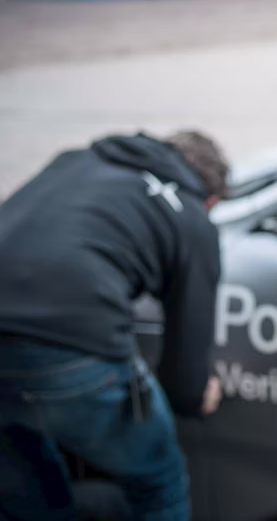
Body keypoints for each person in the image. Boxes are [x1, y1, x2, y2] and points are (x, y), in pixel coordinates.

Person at [0, 131, 229, 521]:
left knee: (29, 489)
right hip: (70, 347)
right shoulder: (190, 214)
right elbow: (187, 358)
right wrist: (194, 396)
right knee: (159, 480)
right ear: (211, 199)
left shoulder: (75, 161)